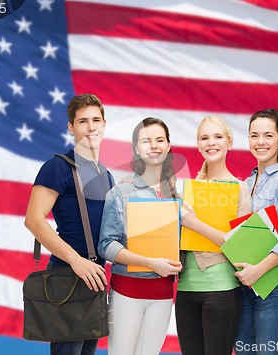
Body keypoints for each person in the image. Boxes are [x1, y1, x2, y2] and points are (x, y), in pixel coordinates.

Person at [24, 93, 115, 355]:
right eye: (83, 121)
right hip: (68, 275)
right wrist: (76, 261)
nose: (91, 127)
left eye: (96, 120)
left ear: (105, 124)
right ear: (71, 127)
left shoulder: (107, 175)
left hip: (95, 278)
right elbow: (33, 220)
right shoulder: (58, 168)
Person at [98, 117, 182, 355]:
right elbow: (106, 245)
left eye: (159, 140)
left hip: (163, 295)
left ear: (168, 146)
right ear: (136, 148)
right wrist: (149, 263)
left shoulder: (177, 196)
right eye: (146, 141)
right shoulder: (121, 192)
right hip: (127, 294)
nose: (153, 146)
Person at [176, 115, 251, 355]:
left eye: (218, 137)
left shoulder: (240, 189)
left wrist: (194, 223)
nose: (211, 142)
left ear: (229, 143)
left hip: (221, 289)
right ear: (198, 145)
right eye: (204, 138)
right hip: (186, 289)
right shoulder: (185, 189)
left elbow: (239, 245)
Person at [233, 108, 278, 355]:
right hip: (243, 285)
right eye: (254, 135)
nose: (260, 142)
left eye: (267, 135)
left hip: (273, 287)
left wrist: (257, 272)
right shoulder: (247, 182)